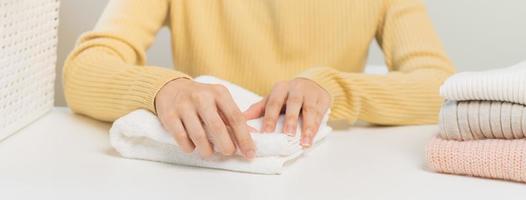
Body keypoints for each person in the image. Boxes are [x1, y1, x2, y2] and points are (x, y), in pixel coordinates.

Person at [63, 0, 455, 160]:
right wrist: (164, 89)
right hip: (201, 176)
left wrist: (331, 88)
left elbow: (441, 85)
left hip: (323, 179)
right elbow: (84, 67)